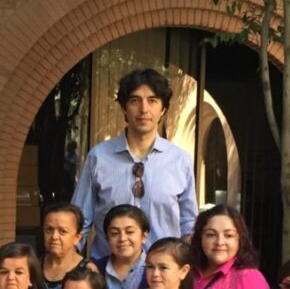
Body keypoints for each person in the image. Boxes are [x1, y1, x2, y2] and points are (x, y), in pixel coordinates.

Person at [72, 68, 197, 259]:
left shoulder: (180, 160)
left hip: (162, 275)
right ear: (124, 108)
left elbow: (188, 222)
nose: (144, 109)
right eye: (135, 100)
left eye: (152, 101)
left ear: (163, 109)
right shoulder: (99, 157)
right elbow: (80, 220)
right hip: (107, 275)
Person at [90, 205, 150, 289]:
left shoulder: (157, 270)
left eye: (130, 232)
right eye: (114, 233)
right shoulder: (93, 269)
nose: (122, 239)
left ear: (144, 236)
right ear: (107, 238)